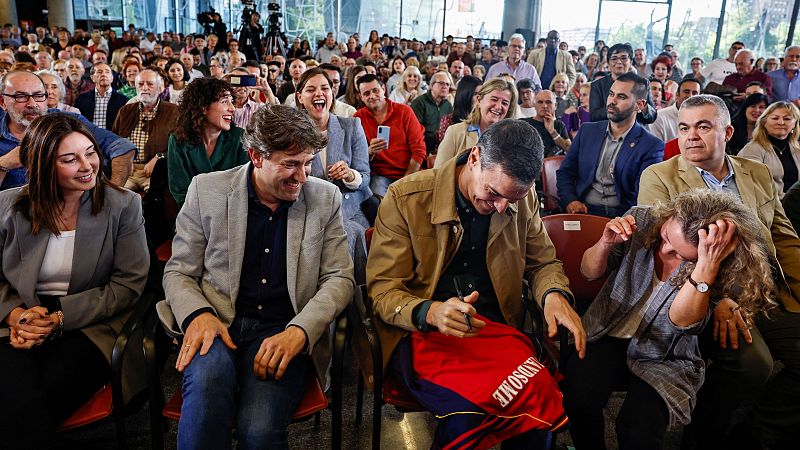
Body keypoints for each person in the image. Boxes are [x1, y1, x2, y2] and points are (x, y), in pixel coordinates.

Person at [367, 119, 585, 449]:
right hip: (420, 331)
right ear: (474, 158)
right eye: (493, 194)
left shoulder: (520, 197)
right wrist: (431, 311)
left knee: (538, 393)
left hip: (493, 327)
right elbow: (383, 291)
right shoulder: (406, 197)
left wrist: (553, 294)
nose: (501, 207)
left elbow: (542, 262)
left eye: (512, 199)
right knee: (469, 413)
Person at [158, 104, 353, 449]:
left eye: (308, 163)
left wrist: (300, 331)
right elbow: (179, 270)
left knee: (259, 430)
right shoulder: (207, 190)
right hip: (217, 320)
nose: (302, 177)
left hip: (283, 327)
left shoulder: (325, 198)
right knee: (206, 402)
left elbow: (339, 278)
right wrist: (198, 314)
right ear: (256, 156)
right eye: (290, 164)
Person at [638, 94, 800, 450]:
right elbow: (665, 254)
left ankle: (756, 431)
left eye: (703, 127)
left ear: (727, 132)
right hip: (704, 296)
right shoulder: (660, 177)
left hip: (765, 289)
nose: (691, 136)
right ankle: (702, 433)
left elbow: (783, 237)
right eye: (684, 128)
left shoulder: (755, 172)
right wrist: (717, 297)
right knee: (754, 366)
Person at [563, 189, 775, 450]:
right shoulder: (642, 219)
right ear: (671, 214)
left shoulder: (717, 260)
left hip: (666, 351)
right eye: (665, 237)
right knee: (578, 398)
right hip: (609, 330)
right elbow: (588, 272)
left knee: (638, 430)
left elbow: (680, 322)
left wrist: (706, 267)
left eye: (680, 255)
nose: (665, 249)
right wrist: (605, 243)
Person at [0, 113, 149, 448]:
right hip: (21, 316)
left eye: (91, 153)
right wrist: (16, 316)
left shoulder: (122, 205)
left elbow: (127, 285)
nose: (87, 166)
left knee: (31, 402)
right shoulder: (7, 206)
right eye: (70, 159)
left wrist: (58, 318)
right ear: (42, 166)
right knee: (13, 394)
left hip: (91, 321)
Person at [0, 71, 137, 189]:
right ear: (2, 102)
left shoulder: (69, 122)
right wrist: (4, 164)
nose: (32, 104)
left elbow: (123, 147)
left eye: (38, 95)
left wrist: (113, 195)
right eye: (20, 97)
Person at [557, 72, 664, 218]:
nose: (612, 101)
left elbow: (643, 194)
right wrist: (571, 200)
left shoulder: (651, 146)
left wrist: (627, 220)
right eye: (611, 94)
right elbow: (565, 172)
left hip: (621, 216)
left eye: (621, 97)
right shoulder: (587, 131)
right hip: (582, 209)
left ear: (639, 105)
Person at [294, 68, 371, 255]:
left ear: (332, 93)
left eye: (325, 88)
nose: (319, 94)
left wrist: (350, 175)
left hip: (348, 209)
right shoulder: (292, 131)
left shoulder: (352, 126)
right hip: (307, 208)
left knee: (346, 234)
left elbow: (365, 176)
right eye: (311, 89)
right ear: (300, 97)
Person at [167, 77, 249, 206]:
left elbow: (244, 187)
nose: (232, 108)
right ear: (203, 107)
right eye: (224, 102)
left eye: (232, 101)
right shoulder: (178, 140)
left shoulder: (239, 137)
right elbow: (180, 191)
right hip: (192, 212)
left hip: (232, 210)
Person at [353, 74, 426, 198]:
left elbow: (419, 150)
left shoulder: (404, 112)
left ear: (383, 89)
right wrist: (369, 151)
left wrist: (406, 180)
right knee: (378, 202)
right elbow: (356, 157)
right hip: (380, 176)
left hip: (409, 172)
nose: (372, 96)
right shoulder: (358, 118)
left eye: (375, 90)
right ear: (361, 97)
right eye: (366, 93)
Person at [112, 69, 179, 192]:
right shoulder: (125, 111)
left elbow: (180, 145)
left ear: (160, 88)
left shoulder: (174, 112)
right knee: (116, 197)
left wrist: (160, 157)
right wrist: (124, 159)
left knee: (153, 199)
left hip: (156, 172)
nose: (144, 88)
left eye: (150, 84)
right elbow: (114, 141)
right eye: (140, 84)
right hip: (128, 170)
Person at [434, 78, 517, 168]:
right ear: (479, 100)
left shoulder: (512, 140)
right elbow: (439, 172)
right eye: (494, 99)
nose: (498, 107)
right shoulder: (455, 132)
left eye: (505, 103)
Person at [739, 101, 800, 199]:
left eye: (787, 119)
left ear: (794, 124)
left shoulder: (797, 150)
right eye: (775, 118)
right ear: (764, 122)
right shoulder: (751, 150)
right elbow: (752, 188)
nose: (781, 122)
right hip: (770, 204)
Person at [589, 44, 657, 124]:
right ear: (608, 63)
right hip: (606, 129)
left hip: (637, 129)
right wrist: (621, 107)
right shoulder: (597, 85)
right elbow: (594, 116)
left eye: (623, 58)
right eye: (614, 59)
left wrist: (643, 107)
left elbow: (652, 116)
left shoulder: (642, 83)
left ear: (631, 61)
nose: (619, 62)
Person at [410, 71, 454, 155]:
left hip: (442, 148)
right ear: (431, 86)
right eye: (441, 83)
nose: (445, 86)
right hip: (422, 147)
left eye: (447, 84)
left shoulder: (448, 105)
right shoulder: (419, 103)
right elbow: (414, 131)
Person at [75, 63, 128, 130]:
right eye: (99, 72)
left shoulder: (123, 100)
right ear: (92, 78)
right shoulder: (82, 99)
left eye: (107, 72)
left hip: (113, 136)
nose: (104, 74)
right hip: (87, 135)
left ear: (112, 78)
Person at [649, 77, 702, 142]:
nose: (690, 96)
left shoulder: (703, 119)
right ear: (677, 95)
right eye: (686, 92)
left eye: (694, 93)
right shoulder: (660, 117)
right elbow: (656, 146)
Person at [521, 90, 571, 157]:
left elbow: (571, 150)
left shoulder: (559, 125)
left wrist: (553, 132)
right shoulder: (524, 124)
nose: (544, 106)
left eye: (548, 102)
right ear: (534, 105)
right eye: (540, 102)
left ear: (555, 106)